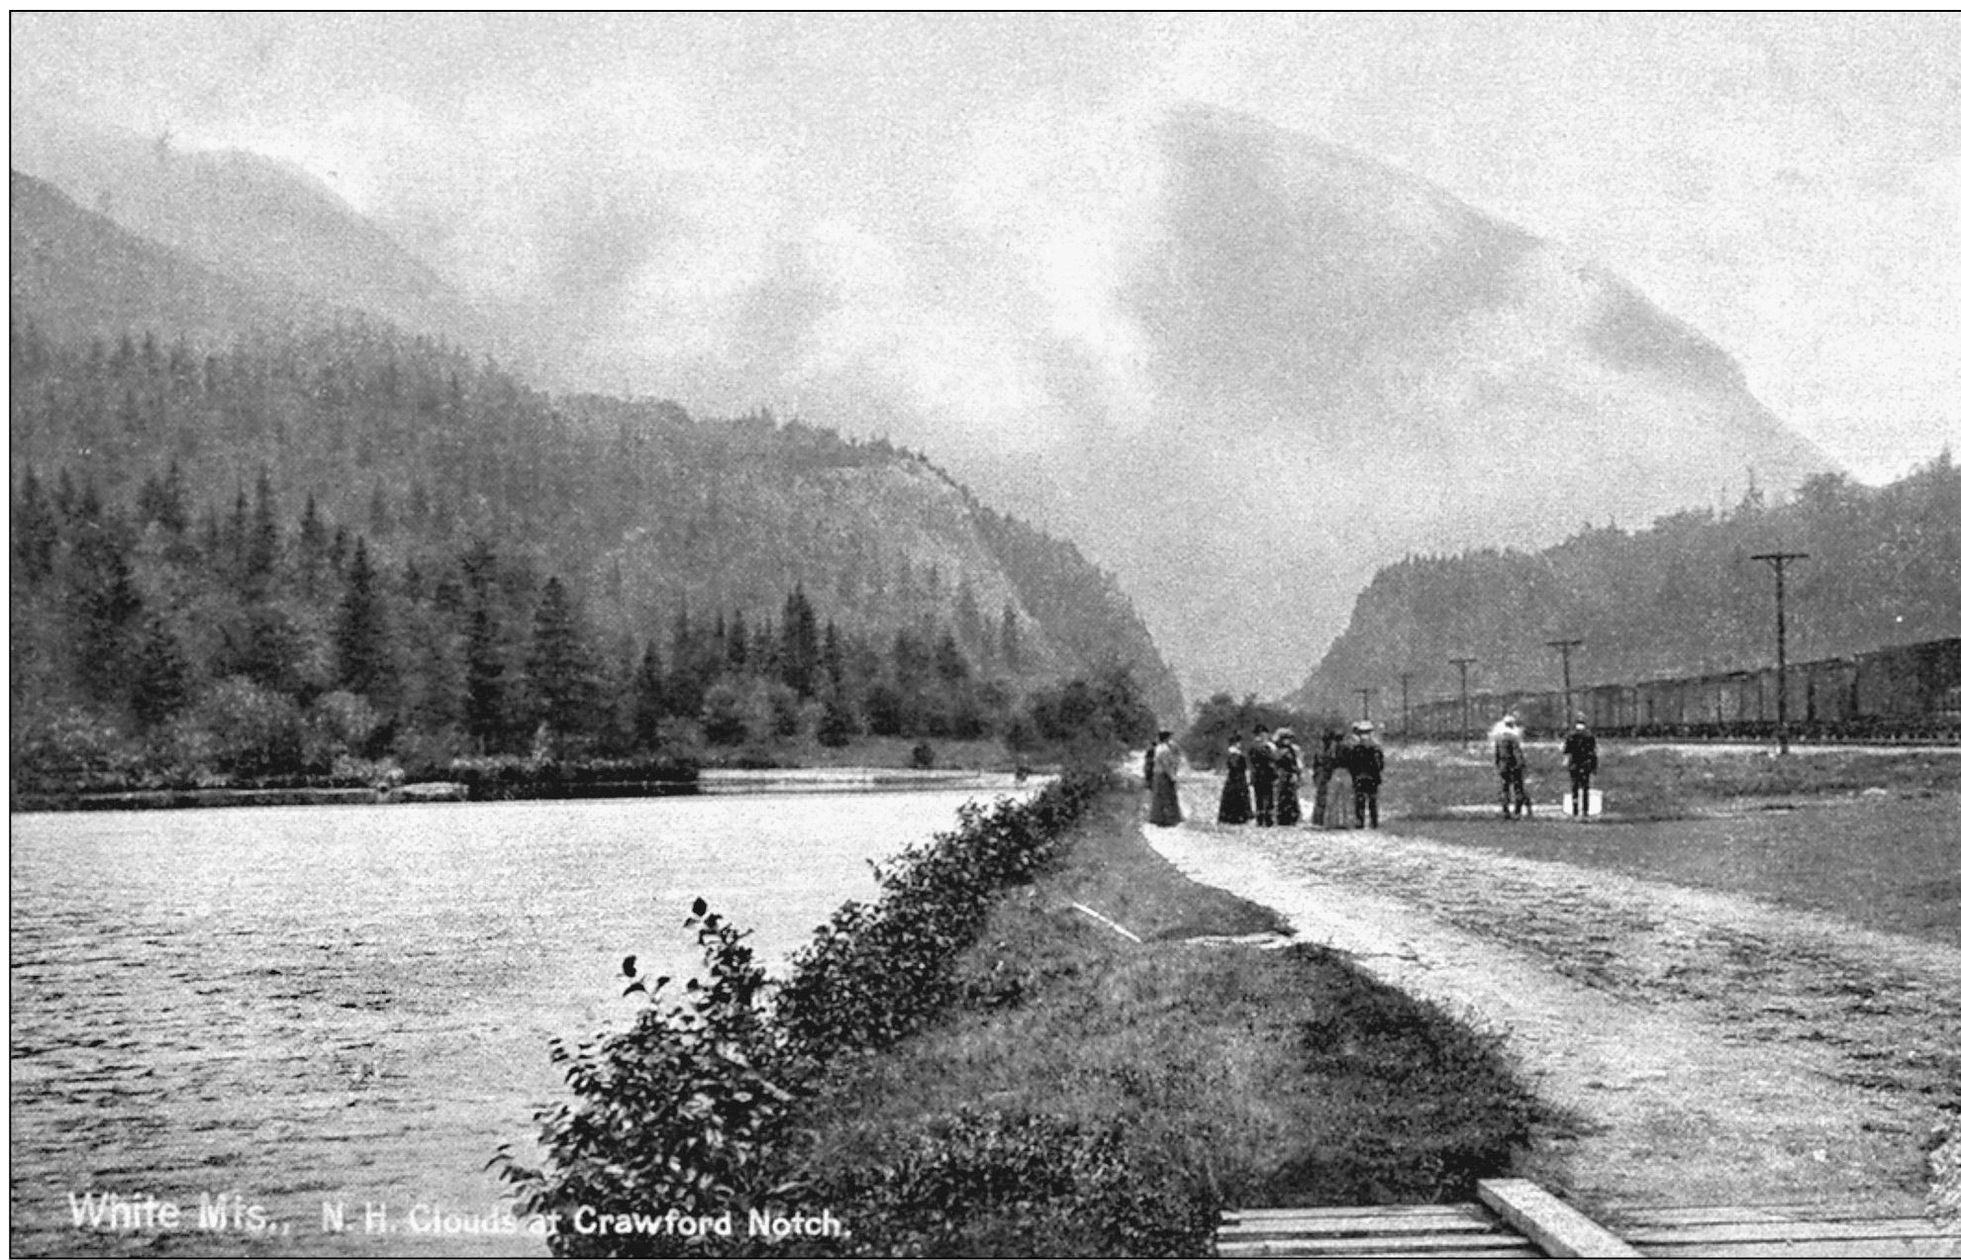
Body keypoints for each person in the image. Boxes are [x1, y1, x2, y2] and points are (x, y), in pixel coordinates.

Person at [1492, 713, 1532, 820]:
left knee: (1505, 789)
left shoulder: (1499, 738)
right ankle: (1517, 811)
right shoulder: (1514, 738)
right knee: (1518, 788)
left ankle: (1505, 811)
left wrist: (1498, 766)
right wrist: (1522, 765)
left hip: (1503, 766)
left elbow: (1496, 754)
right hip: (1514, 766)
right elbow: (1517, 753)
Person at [1347, 720, 1385, 829]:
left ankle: (1360, 821)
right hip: (1372, 777)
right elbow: (1380, 764)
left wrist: (1354, 774)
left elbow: (1352, 764)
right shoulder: (1376, 747)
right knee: (1372, 800)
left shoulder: (1356, 747)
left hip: (1359, 777)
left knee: (1360, 800)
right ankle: (1374, 822)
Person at [1563, 718, 1599, 819]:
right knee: (1585, 789)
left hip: (1574, 765)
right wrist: (1594, 767)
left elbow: (1566, 752)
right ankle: (1585, 811)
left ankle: (1575, 810)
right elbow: (1593, 753)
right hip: (1585, 765)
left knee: (1574, 788)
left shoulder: (1571, 736)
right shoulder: (1590, 737)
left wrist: (1567, 764)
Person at [1147, 729, 1183, 826]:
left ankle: (1158, 818)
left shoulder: (1159, 748)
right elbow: (1166, 765)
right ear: (1166, 738)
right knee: (1166, 796)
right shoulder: (1165, 750)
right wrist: (1172, 776)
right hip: (1163, 774)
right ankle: (1166, 819)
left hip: (1158, 773)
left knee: (1159, 796)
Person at [1217, 733, 1253, 825]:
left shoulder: (1234, 753)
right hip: (1236, 777)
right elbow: (1235, 765)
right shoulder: (1234, 753)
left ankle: (1236, 816)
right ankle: (1236, 817)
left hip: (1236, 777)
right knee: (1236, 796)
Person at [1247, 724, 1279, 827]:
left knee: (1258, 797)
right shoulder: (1267, 746)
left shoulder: (1252, 746)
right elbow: (1272, 760)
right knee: (1268, 797)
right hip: (1267, 774)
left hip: (1257, 774)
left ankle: (1260, 819)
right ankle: (1268, 819)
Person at [1321, 729, 1353, 828]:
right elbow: (1352, 761)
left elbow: (1327, 762)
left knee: (1332, 798)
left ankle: (1331, 821)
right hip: (1345, 772)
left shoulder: (1331, 750)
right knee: (1346, 798)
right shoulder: (1348, 748)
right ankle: (1346, 822)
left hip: (1335, 772)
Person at [1274, 729, 1303, 825]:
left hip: (1288, 774)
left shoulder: (1291, 750)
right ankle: (1284, 817)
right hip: (1283, 774)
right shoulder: (1281, 751)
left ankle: (1291, 816)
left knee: (1290, 795)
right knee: (1284, 795)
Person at [1310, 730, 1339, 827]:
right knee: (1324, 797)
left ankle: (1318, 819)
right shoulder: (1331, 751)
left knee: (1320, 797)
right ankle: (1322, 820)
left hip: (1320, 774)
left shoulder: (1320, 750)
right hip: (1326, 775)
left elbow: (1315, 764)